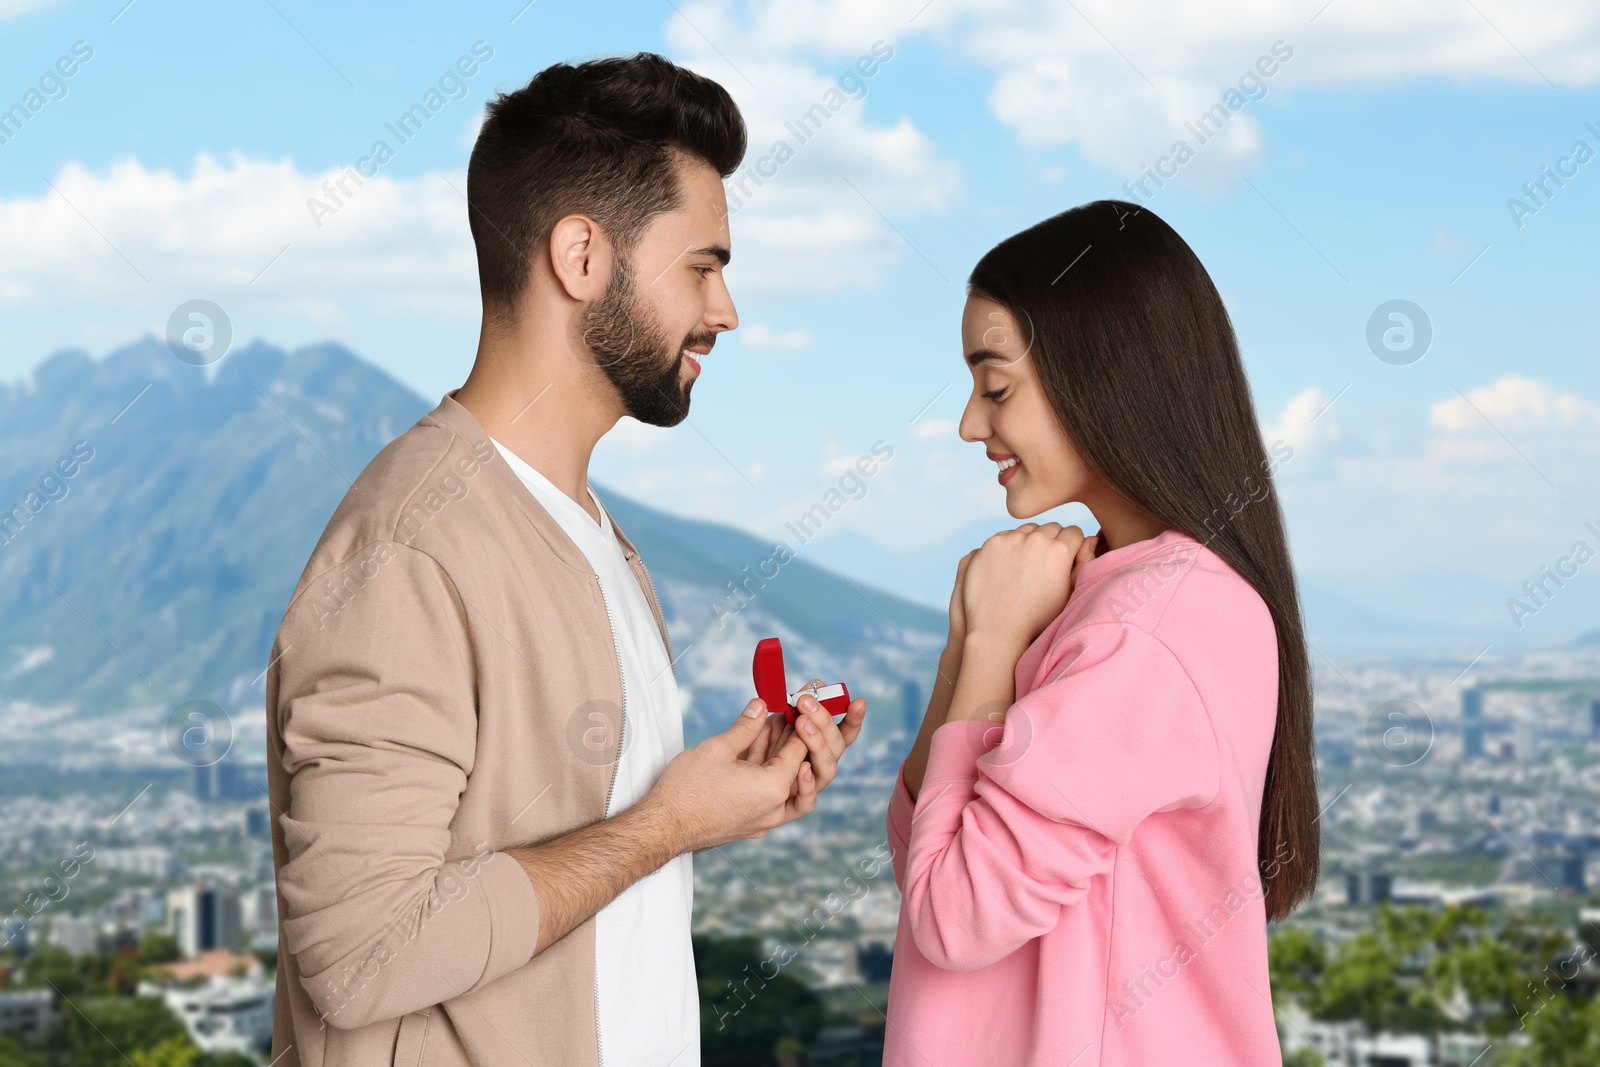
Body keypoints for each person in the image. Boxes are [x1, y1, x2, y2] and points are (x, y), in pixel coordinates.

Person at [263, 53, 865, 1067]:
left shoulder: (593, 534)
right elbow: (359, 951)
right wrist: (662, 825)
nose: (725, 312)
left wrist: (708, 799)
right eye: (702, 266)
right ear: (581, 257)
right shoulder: (413, 541)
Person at [884, 201, 1318, 1066]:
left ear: (1105, 374)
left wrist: (993, 643)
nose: (972, 423)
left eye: (995, 385)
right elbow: (920, 847)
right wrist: (974, 638)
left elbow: (950, 915)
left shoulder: (1147, 630)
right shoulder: (1113, 594)